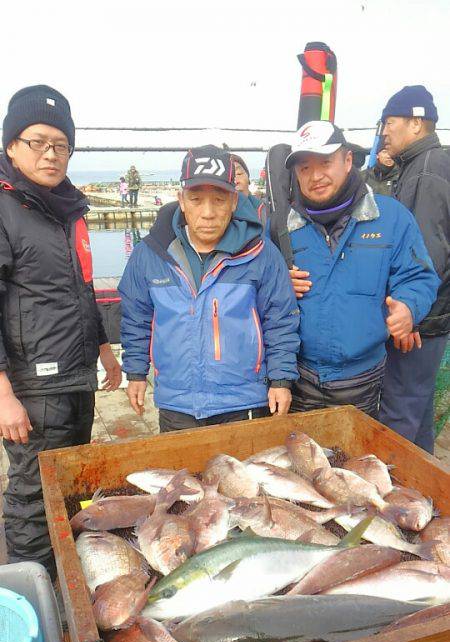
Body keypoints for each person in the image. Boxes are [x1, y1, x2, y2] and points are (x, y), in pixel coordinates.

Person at [0, 85, 122, 580]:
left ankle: (68, 585)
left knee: (72, 485)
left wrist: (105, 354)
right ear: (11, 146)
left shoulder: (68, 210)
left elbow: (83, 292)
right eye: (38, 142)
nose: (51, 154)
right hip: (31, 388)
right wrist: (4, 393)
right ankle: (35, 601)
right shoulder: (6, 208)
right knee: (32, 497)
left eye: (61, 145)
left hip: (76, 378)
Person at [119, 145, 299, 431]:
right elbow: (135, 319)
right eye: (196, 199)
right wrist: (136, 372)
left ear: (233, 201)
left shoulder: (261, 254)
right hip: (176, 404)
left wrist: (281, 381)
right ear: (181, 200)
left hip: (244, 404)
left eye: (218, 199)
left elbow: (280, 320)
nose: (208, 213)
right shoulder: (150, 255)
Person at [274, 120, 440, 417]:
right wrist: (278, 282)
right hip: (298, 378)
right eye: (304, 168)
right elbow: (258, 284)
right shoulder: (280, 228)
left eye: (325, 162)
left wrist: (408, 307)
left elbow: (418, 276)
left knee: (351, 458)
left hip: (363, 379)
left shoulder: (391, 217)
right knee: (298, 457)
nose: (316, 176)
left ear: (347, 160)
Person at [378, 85, 450, 452]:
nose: (384, 131)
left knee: (397, 418)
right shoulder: (421, 167)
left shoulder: (425, 172)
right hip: (429, 317)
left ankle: (395, 506)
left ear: (417, 123)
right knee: (416, 416)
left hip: (420, 321)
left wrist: (411, 314)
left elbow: (428, 254)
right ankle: (427, 499)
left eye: (390, 122)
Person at [231, 154, 267, 224]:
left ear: (248, 179)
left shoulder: (266, 211)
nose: (236, 181)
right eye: (230, 177)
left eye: (239, 174)